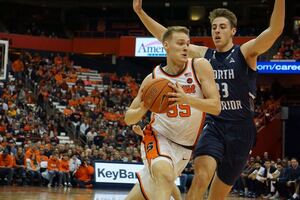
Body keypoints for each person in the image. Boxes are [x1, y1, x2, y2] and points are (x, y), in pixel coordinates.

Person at [132, 0, 285, 199]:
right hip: (214, 125)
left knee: (216, 196)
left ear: (233, 31)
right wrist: (141, 12)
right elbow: (167, 38)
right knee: (201, 176)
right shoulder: (205, 56)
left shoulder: (245, 53)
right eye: (214, 27)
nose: (217, 31)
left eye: (222, 27)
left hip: (242, 132)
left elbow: (275, 30)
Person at [124, 26, 221, 200]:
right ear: (166, 45)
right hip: (158, 136)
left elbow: (215, 106)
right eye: (180, 43)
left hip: (185, 148)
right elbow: (128, 118)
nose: (185, 47)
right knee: (165, 175)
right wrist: (144, 108)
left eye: (188, 44)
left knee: (153, 186)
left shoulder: (199, 66)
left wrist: (187, 99)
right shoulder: (153, 78)